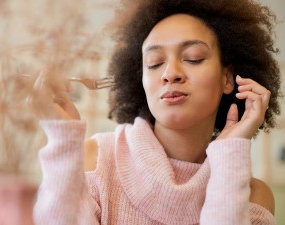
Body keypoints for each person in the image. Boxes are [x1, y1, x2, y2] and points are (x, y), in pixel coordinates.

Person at [31, 0, 282, 224]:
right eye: (154, 63)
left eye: (193, 58)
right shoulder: (95, 160)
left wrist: (230, 150)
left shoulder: (252, 196)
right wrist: (63, 139)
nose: (169, 73)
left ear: (227, 78)